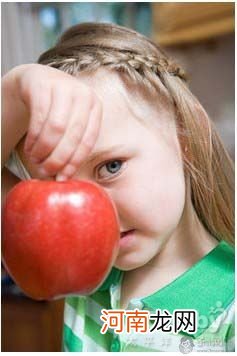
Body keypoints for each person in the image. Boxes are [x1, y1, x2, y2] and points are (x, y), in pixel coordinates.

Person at [2, 23, 234, 352]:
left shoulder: (229, 310)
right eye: (60, 184)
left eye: (111, 167)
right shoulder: (83, 274)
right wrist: (13, 89)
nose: (91, 215)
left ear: (184, 135)